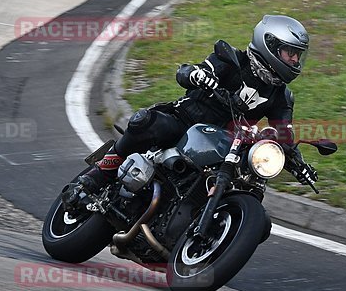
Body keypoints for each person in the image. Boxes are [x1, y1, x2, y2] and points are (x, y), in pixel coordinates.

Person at [74, 15, 319, 201]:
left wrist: (296, 161)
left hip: (224, 145)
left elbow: (284, 135)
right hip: (185, 122)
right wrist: (197, 75)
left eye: (298, 56)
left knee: (253, 193)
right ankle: (99, 174)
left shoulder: (281, 96)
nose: (296, 61)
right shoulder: (231, 60)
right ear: (270, 45)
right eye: (291, 54)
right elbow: (185, 72)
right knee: (148, 123)